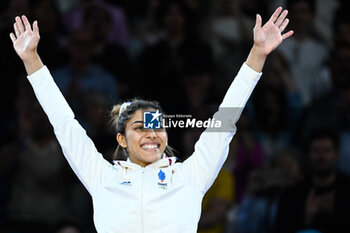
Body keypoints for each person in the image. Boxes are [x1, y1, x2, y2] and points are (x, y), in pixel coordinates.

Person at [9, 7, 293, 232]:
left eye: (157, 126)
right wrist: (31, 59)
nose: (151, 133)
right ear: (121, 138)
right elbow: (64, 123)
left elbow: (225, 119)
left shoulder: (189, 177)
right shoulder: (101, 177)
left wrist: (257, 54)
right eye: (140, 127)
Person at [273, 130, 350, 233]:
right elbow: (281, 228)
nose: (322, 156)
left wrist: (334, 214)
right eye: (316, 151)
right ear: (308, 155)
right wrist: (306, 218)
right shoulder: (293, 193)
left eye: (327, 150)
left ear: (337, 154)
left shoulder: (347, 189)